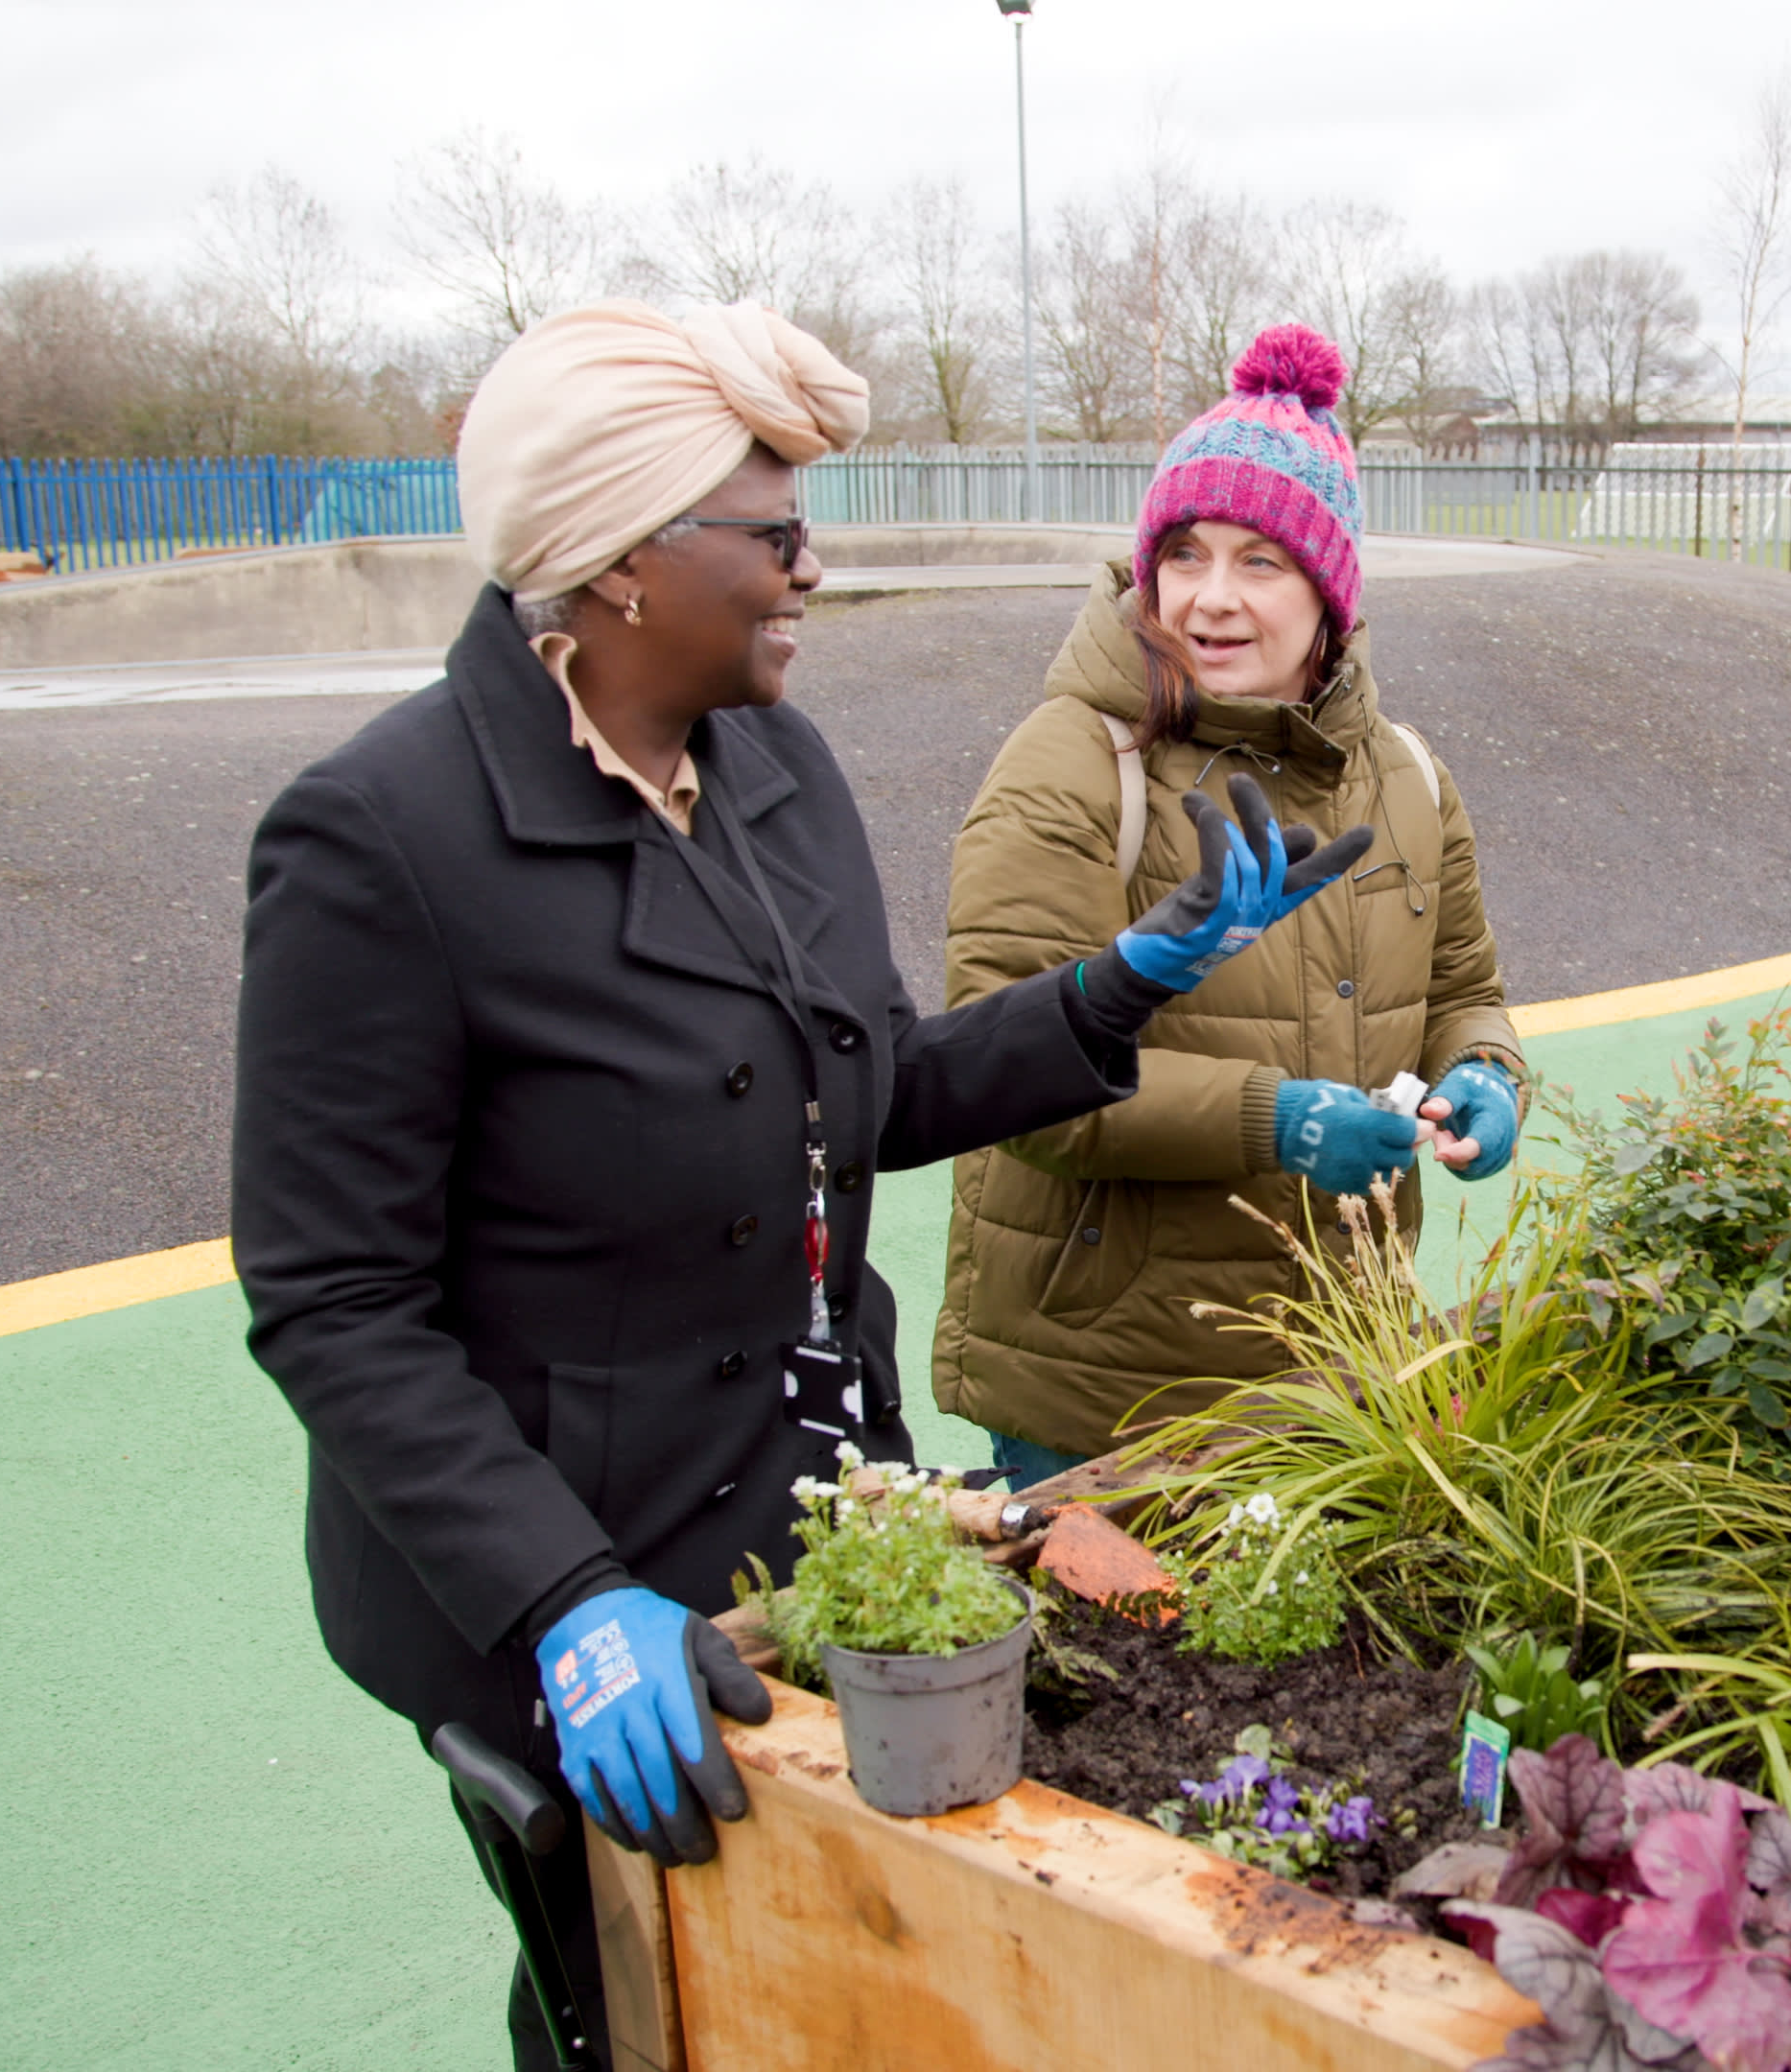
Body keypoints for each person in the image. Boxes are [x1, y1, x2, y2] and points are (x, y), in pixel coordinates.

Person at [231, 299, 1366, 2070]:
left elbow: (864, 1089)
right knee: (636, 2006)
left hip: (807, 1508)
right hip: (562, 1573)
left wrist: (1117, 987)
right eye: (773, 535)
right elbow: (333, 1303)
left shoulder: (774, 764)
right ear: (619, 564)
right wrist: (562, 1597)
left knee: (842, 1992)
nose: (810, 569)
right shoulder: (382, 838)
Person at [932, 325, 1526, 1483]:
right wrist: (1280, 1119)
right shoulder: (1069, 762)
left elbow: (1466, 988)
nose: (1209, 598)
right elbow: (1001, 1081)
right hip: (1101, 1382)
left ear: (1330, 591)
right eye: (1186, 553)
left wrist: (1489, 1073)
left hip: (1335, 1359)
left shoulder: (1404, 772)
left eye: (1260, 561)